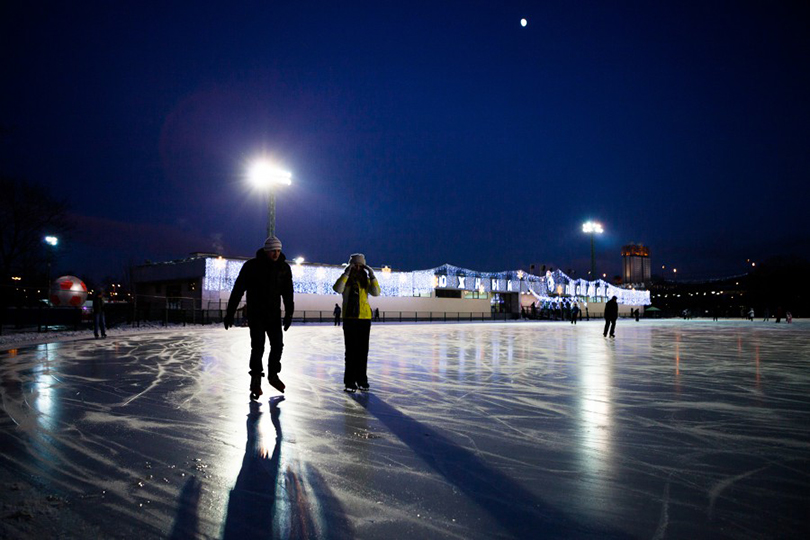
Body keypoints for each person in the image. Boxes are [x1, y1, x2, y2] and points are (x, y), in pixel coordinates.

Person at [225, 236, 294, 400]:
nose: (276, 254)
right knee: (258, 347)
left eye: (278, 250)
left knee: (277, 345)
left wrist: (289, 313)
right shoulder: (251, 266)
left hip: (273, 315)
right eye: (273, 251)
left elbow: (288, 293)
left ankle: (273, 375)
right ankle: (255, 380)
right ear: (266, 250)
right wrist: (230, 312)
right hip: (256, 314)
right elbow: (238, 289)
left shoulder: (284, 268)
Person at [333, 254, 380, 393]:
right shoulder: (346, 280)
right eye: (355, 265)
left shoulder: (366, 281)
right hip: (350, 318)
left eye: (360, 265)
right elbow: (337, 288)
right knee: (351, 351)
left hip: (364, 319)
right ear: (351, 265)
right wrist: (346, 273)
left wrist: (372, 275)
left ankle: (362, 380)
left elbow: (376, 292)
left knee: (362, 351)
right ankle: (349, 381)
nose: (358, 268)